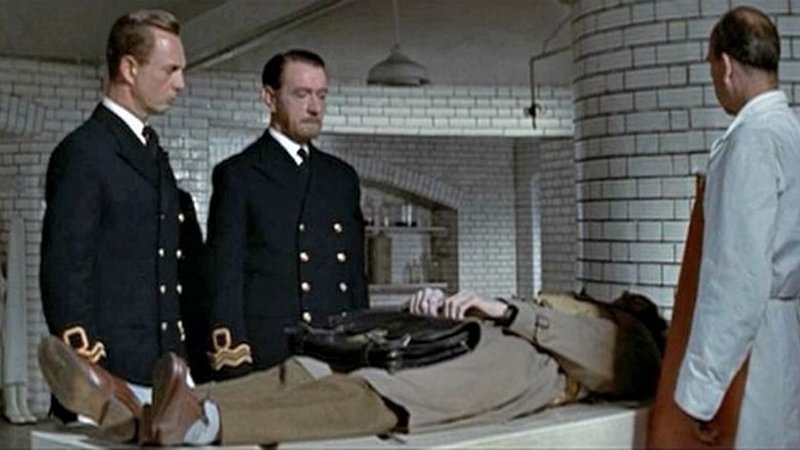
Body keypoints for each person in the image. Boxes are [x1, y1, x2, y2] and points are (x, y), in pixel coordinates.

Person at [38, 288, 665, 445]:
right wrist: (440, 303)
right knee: (306, 371)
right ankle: (144, 407)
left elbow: (610, 360)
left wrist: (508, 309)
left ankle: (199, 422)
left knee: (369, 396)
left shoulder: (631, 334)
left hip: (503, 373)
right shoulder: (568, 308)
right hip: (459, 344)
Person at [39, 9, 190, 423]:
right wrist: (92, 373)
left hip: (162, 373)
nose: (181, 83)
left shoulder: (150, 152)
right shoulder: (85, 152)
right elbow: (66, 275)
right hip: (110, 379)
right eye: (171, 69)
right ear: (129, 68)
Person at [674, 6, 800, 448]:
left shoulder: (751, 141)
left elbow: (738, 280)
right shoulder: (792, 133)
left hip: (757, 351)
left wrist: (701, 395)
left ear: (726, 65)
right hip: (787, 333)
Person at [205, 49, 368, 378]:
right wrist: (234, 362)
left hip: (337, 356)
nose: (315, 107)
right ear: (270, 97)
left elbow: (354, 277)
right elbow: (225, 280)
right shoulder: (240, 174)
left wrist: (362, 350)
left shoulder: (341, 177)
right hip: (271, 357)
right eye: (302, 94)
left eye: (321, 95)